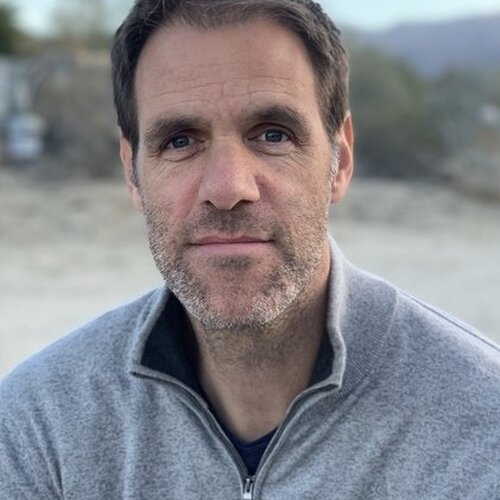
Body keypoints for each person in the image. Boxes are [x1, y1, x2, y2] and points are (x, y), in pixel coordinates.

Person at [1, 1, 499, 498]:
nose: (228, 188)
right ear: (132, 173)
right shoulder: (35, 429)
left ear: (341, 160)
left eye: (272, 135)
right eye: (180, 141)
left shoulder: (483, 428)